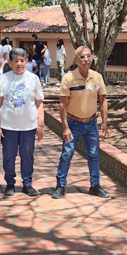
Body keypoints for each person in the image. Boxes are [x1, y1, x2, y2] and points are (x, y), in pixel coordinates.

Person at [53, 46, 110, 199]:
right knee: (67, 154)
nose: (86, 60)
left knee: (94, 155)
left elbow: (103, 100)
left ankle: (95, 185)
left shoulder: (97, 77)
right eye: (82, 57)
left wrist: (104, 122)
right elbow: (63, 104)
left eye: (88, 56)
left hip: (91, 123)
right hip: (73, 123)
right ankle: (60, 185)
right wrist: (64, 126)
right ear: (75, 60)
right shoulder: (68, 78)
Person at [0, 48, 44, 197]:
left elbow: (39, 103)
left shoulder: (33, 79)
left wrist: (40, 125)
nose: (19, 64)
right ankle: (10, 182)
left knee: (27, 155)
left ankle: (27, 184)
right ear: (9, 62)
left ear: (27, 61)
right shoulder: (4, 78)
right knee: (8, 156)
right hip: (8, 126)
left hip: (28, 126)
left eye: (22, 60)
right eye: (15, 61)